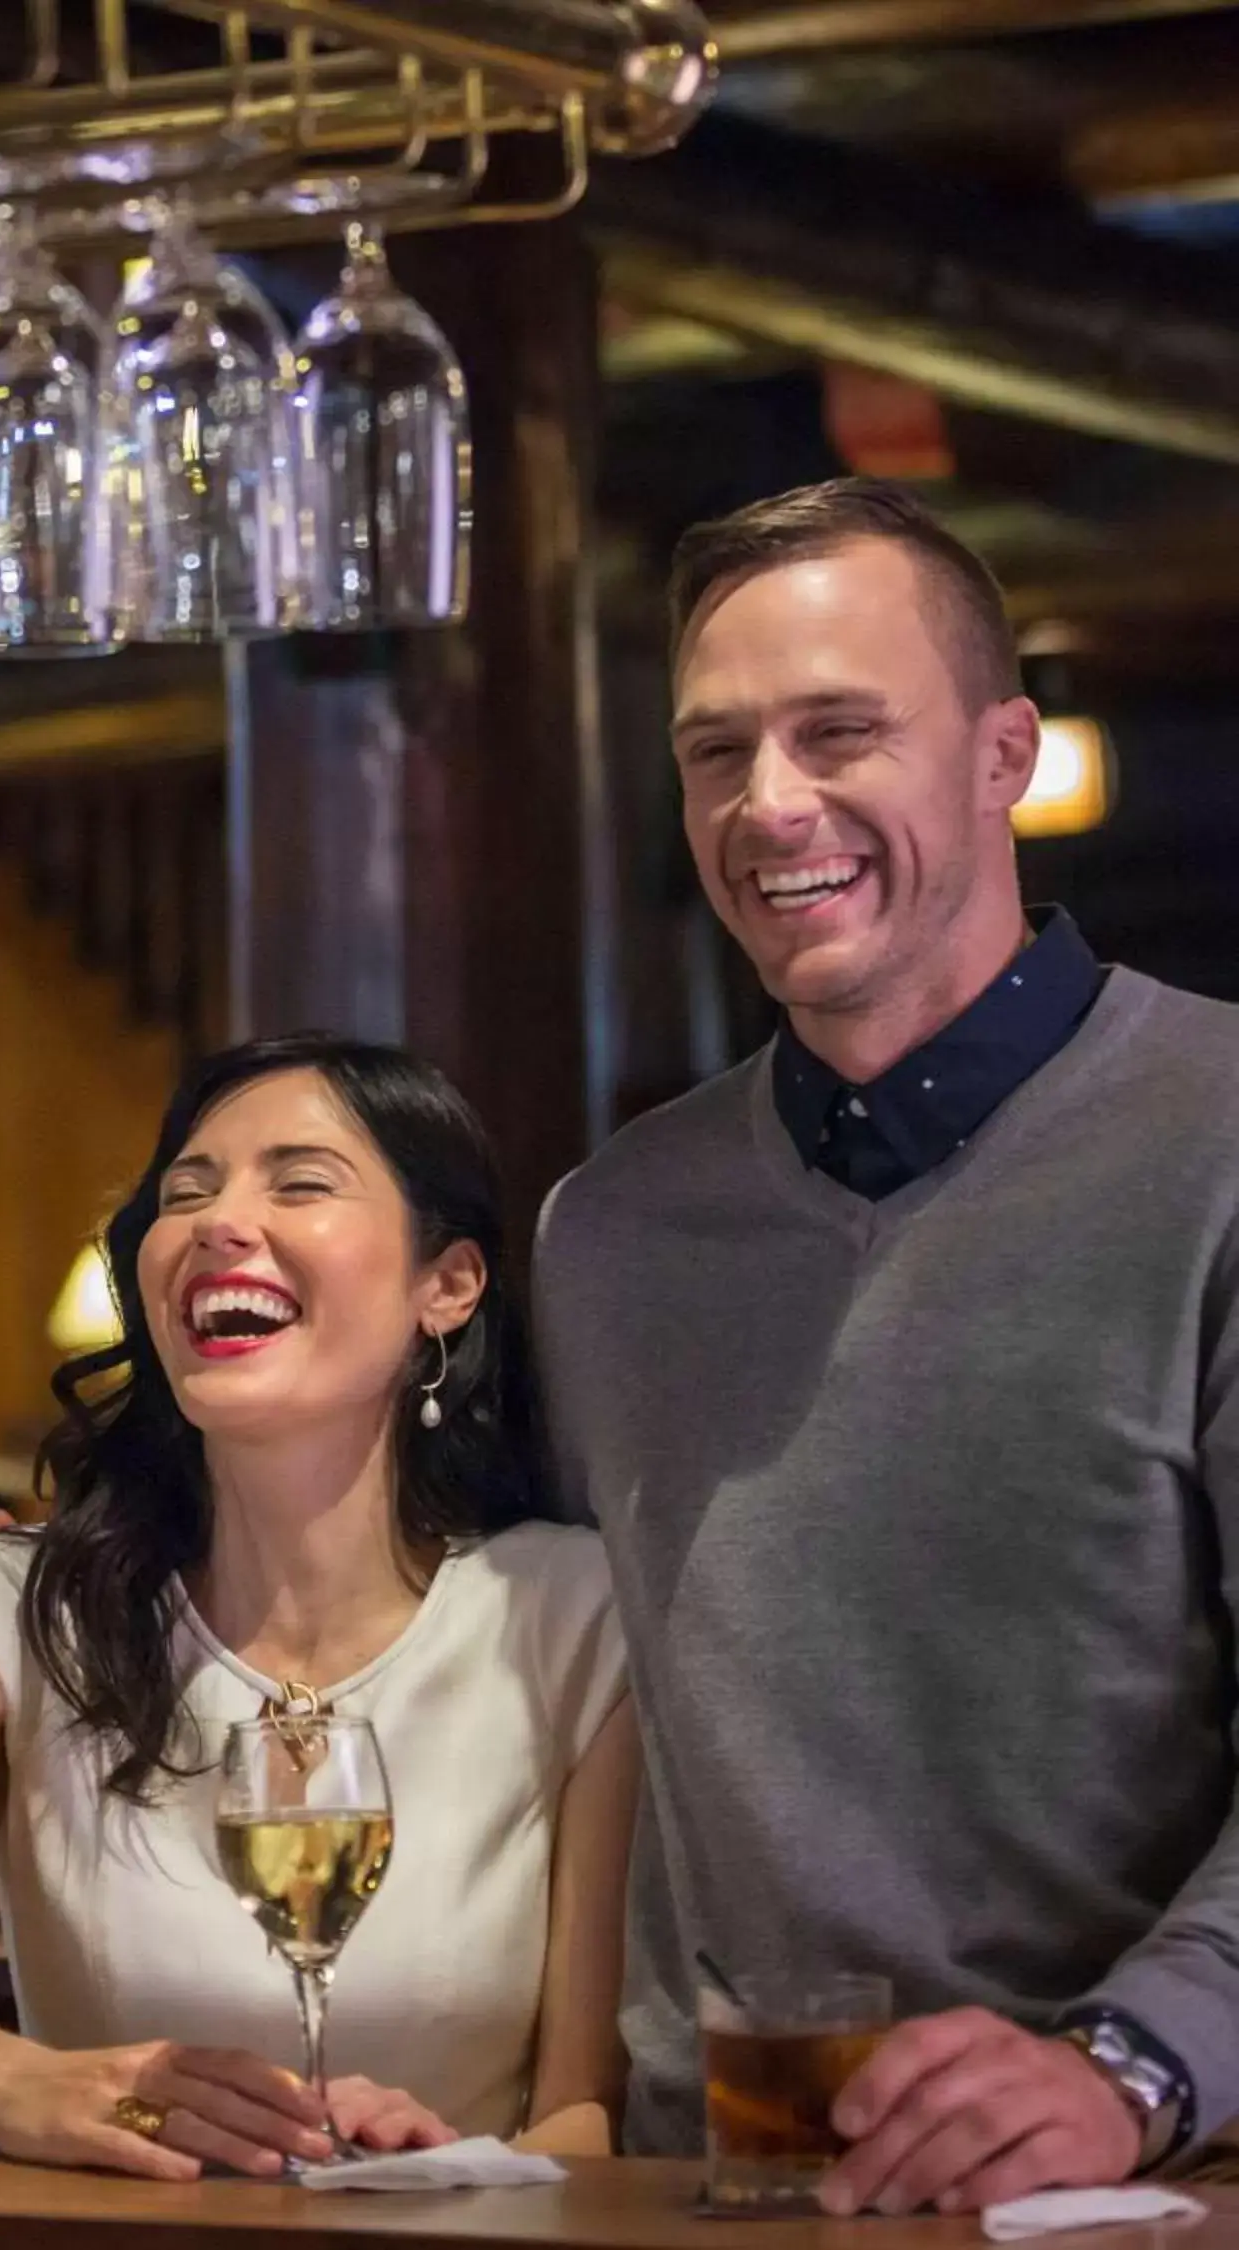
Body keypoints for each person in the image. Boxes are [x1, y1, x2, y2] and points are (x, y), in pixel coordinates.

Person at [537, 478, 1239, 2210]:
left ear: (1005, 755)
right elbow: (526, 1643)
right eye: (718, 753)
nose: (772, 806)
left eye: (840, 733)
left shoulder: (1220, 1144)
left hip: (1144, 2187)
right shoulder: (610, 1231)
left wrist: (1132, 2067)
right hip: (713, 2192)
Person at [0, 1034, 636, 2182]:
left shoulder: (570, 1614)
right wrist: (22, 2082)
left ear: (449, 1285)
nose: (217, 1223)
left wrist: (443, 2172)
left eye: (300, 1181)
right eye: (187, 1191)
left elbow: (585, 2119)